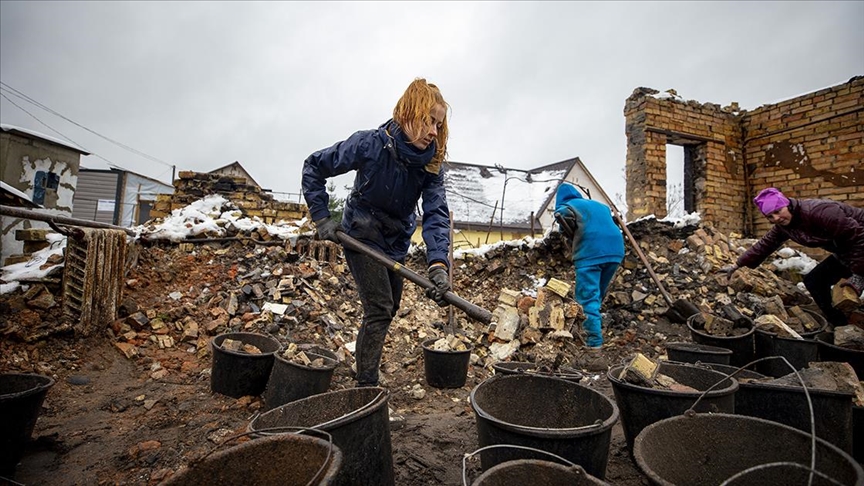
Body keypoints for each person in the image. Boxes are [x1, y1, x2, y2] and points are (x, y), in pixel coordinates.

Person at [301, 78, 452, 387]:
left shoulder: (431, 166)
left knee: (390, 305)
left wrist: (439, 265)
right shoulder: (369, 144)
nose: (434, 131)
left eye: (438, 124)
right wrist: (321, 217)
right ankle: (367, 385)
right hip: (361, 234)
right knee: (380, 307)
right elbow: (314, 166)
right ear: (408, 114)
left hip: (396, 241)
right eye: (428, 121)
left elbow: (436, 214)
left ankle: (363, 366)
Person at [723, 187, 864, 326]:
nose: (776, 218)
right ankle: (841, 325)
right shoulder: (785, 226)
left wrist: (858, 273)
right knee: (815, 281)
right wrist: (737, 265)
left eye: (778, 211)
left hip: (860, 245)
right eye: (770, 216)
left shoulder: (819, 212)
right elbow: (764, 246)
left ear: (786, 205)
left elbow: (858, 238)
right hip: (847, 252)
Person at [554, 183, 625, 371]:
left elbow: (563, 215)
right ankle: (590, 334)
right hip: (616, 251)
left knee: (587, 301)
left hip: (591, 253)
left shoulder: (568, 205)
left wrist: (565, 233)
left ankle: (593, 353)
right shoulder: (598, 206)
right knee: (596, 298)